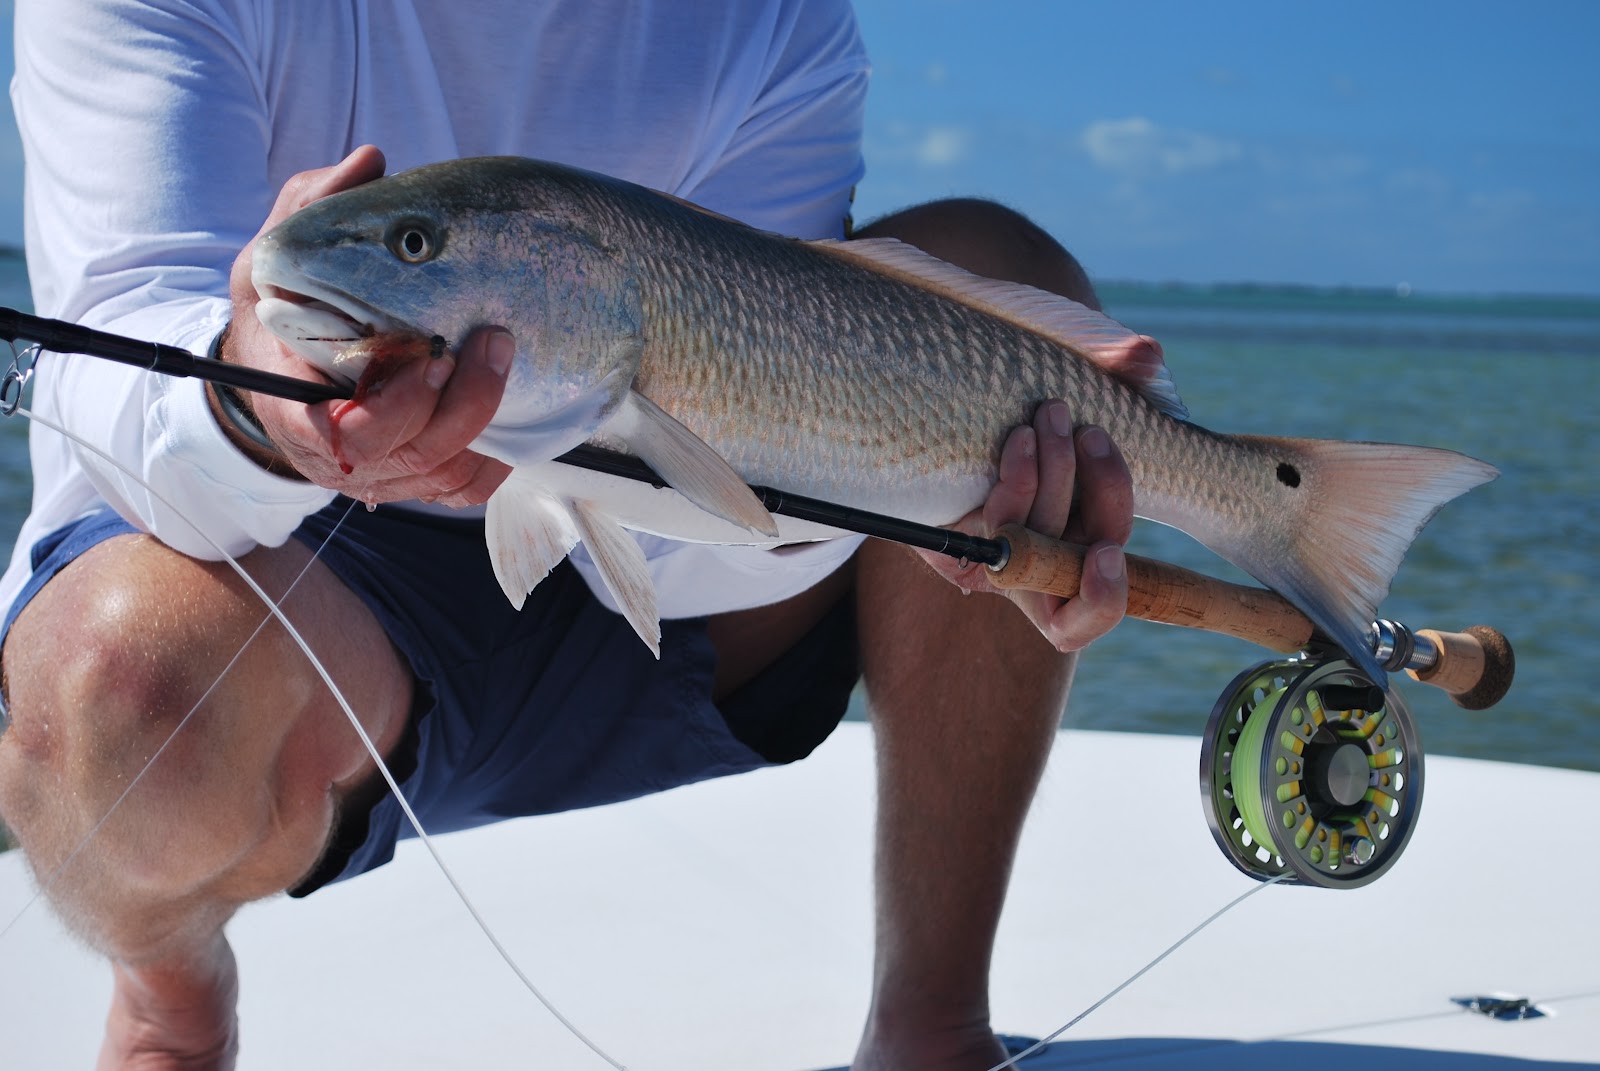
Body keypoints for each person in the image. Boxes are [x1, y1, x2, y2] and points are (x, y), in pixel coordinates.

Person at [0, 2, 1144, 1068]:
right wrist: (257, 411)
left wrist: (938, 497)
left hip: (659, 567)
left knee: (996, 278)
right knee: (117, 678)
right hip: (287, 553)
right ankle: (166, 990)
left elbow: (717, 536)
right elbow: (109, 342)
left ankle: (929, 1028)